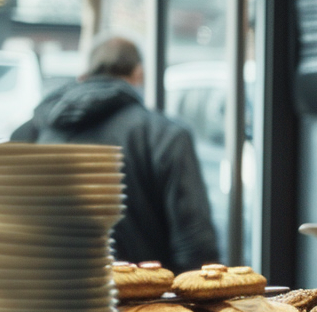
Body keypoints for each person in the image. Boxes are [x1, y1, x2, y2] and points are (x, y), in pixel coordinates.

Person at [12, 37, 219, 274]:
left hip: (47, 293)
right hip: (143, 300)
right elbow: (194, 241)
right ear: (138, 73)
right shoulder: (165, 134)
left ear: (85, 74)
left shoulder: (32, 131)